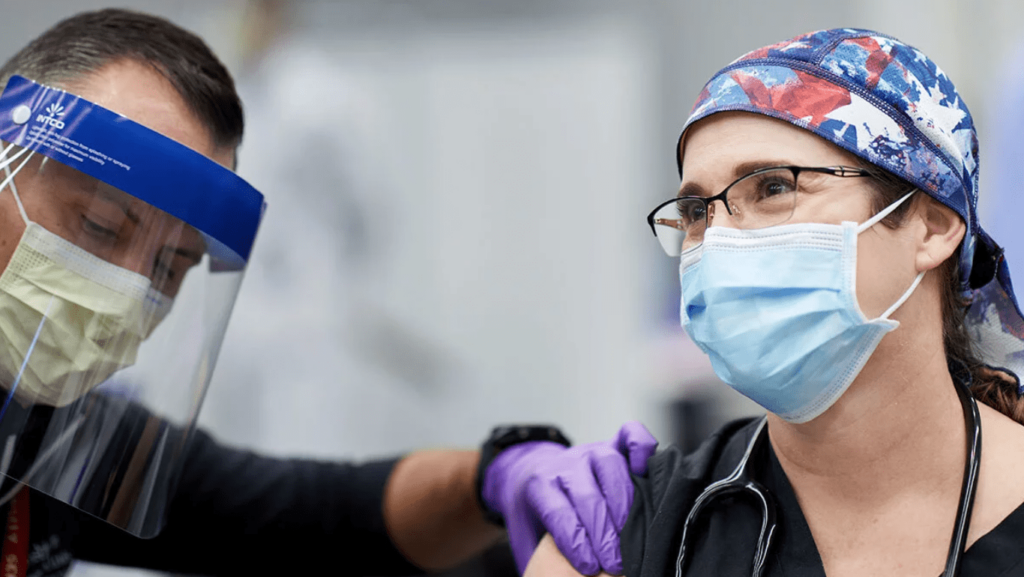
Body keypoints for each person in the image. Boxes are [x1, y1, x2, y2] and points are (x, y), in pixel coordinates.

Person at [0, 8, 654, 577]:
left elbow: (316, 511)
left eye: (171, 267)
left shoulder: (54, 437)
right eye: (99, 225)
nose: (126, 290)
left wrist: (496, 476)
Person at [525, 28, 1024, 577]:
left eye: (772, 188)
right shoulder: (626, 535)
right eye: (695, 211)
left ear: (932, 226)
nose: (718, 243)